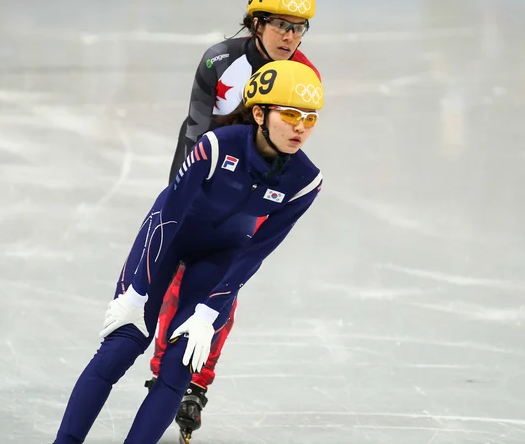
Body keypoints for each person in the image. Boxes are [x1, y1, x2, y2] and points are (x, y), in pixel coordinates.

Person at [53, 59, 325, 444]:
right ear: (260, 112)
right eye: (291, 113)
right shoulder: (215, 146)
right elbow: (168, 216)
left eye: (310, 118)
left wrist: (211, 310)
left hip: (221, 256)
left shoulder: (305, 181)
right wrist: (137, 290)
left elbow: (254, 253)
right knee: (122, 345)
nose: (300, 127)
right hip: (169, 239)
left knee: (180, 367)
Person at [146, 0, 320, 441]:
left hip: (253, 195)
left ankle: (196, 381)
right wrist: (176, 196)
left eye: (300, 27)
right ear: (256, 22)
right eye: (282, 24)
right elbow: (193, 130)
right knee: (175, 281)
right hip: (205, 181)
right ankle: (166, 367)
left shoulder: (303, 79)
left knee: (223, 285)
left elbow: (291, 148)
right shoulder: (218, 62)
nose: (291, 36)